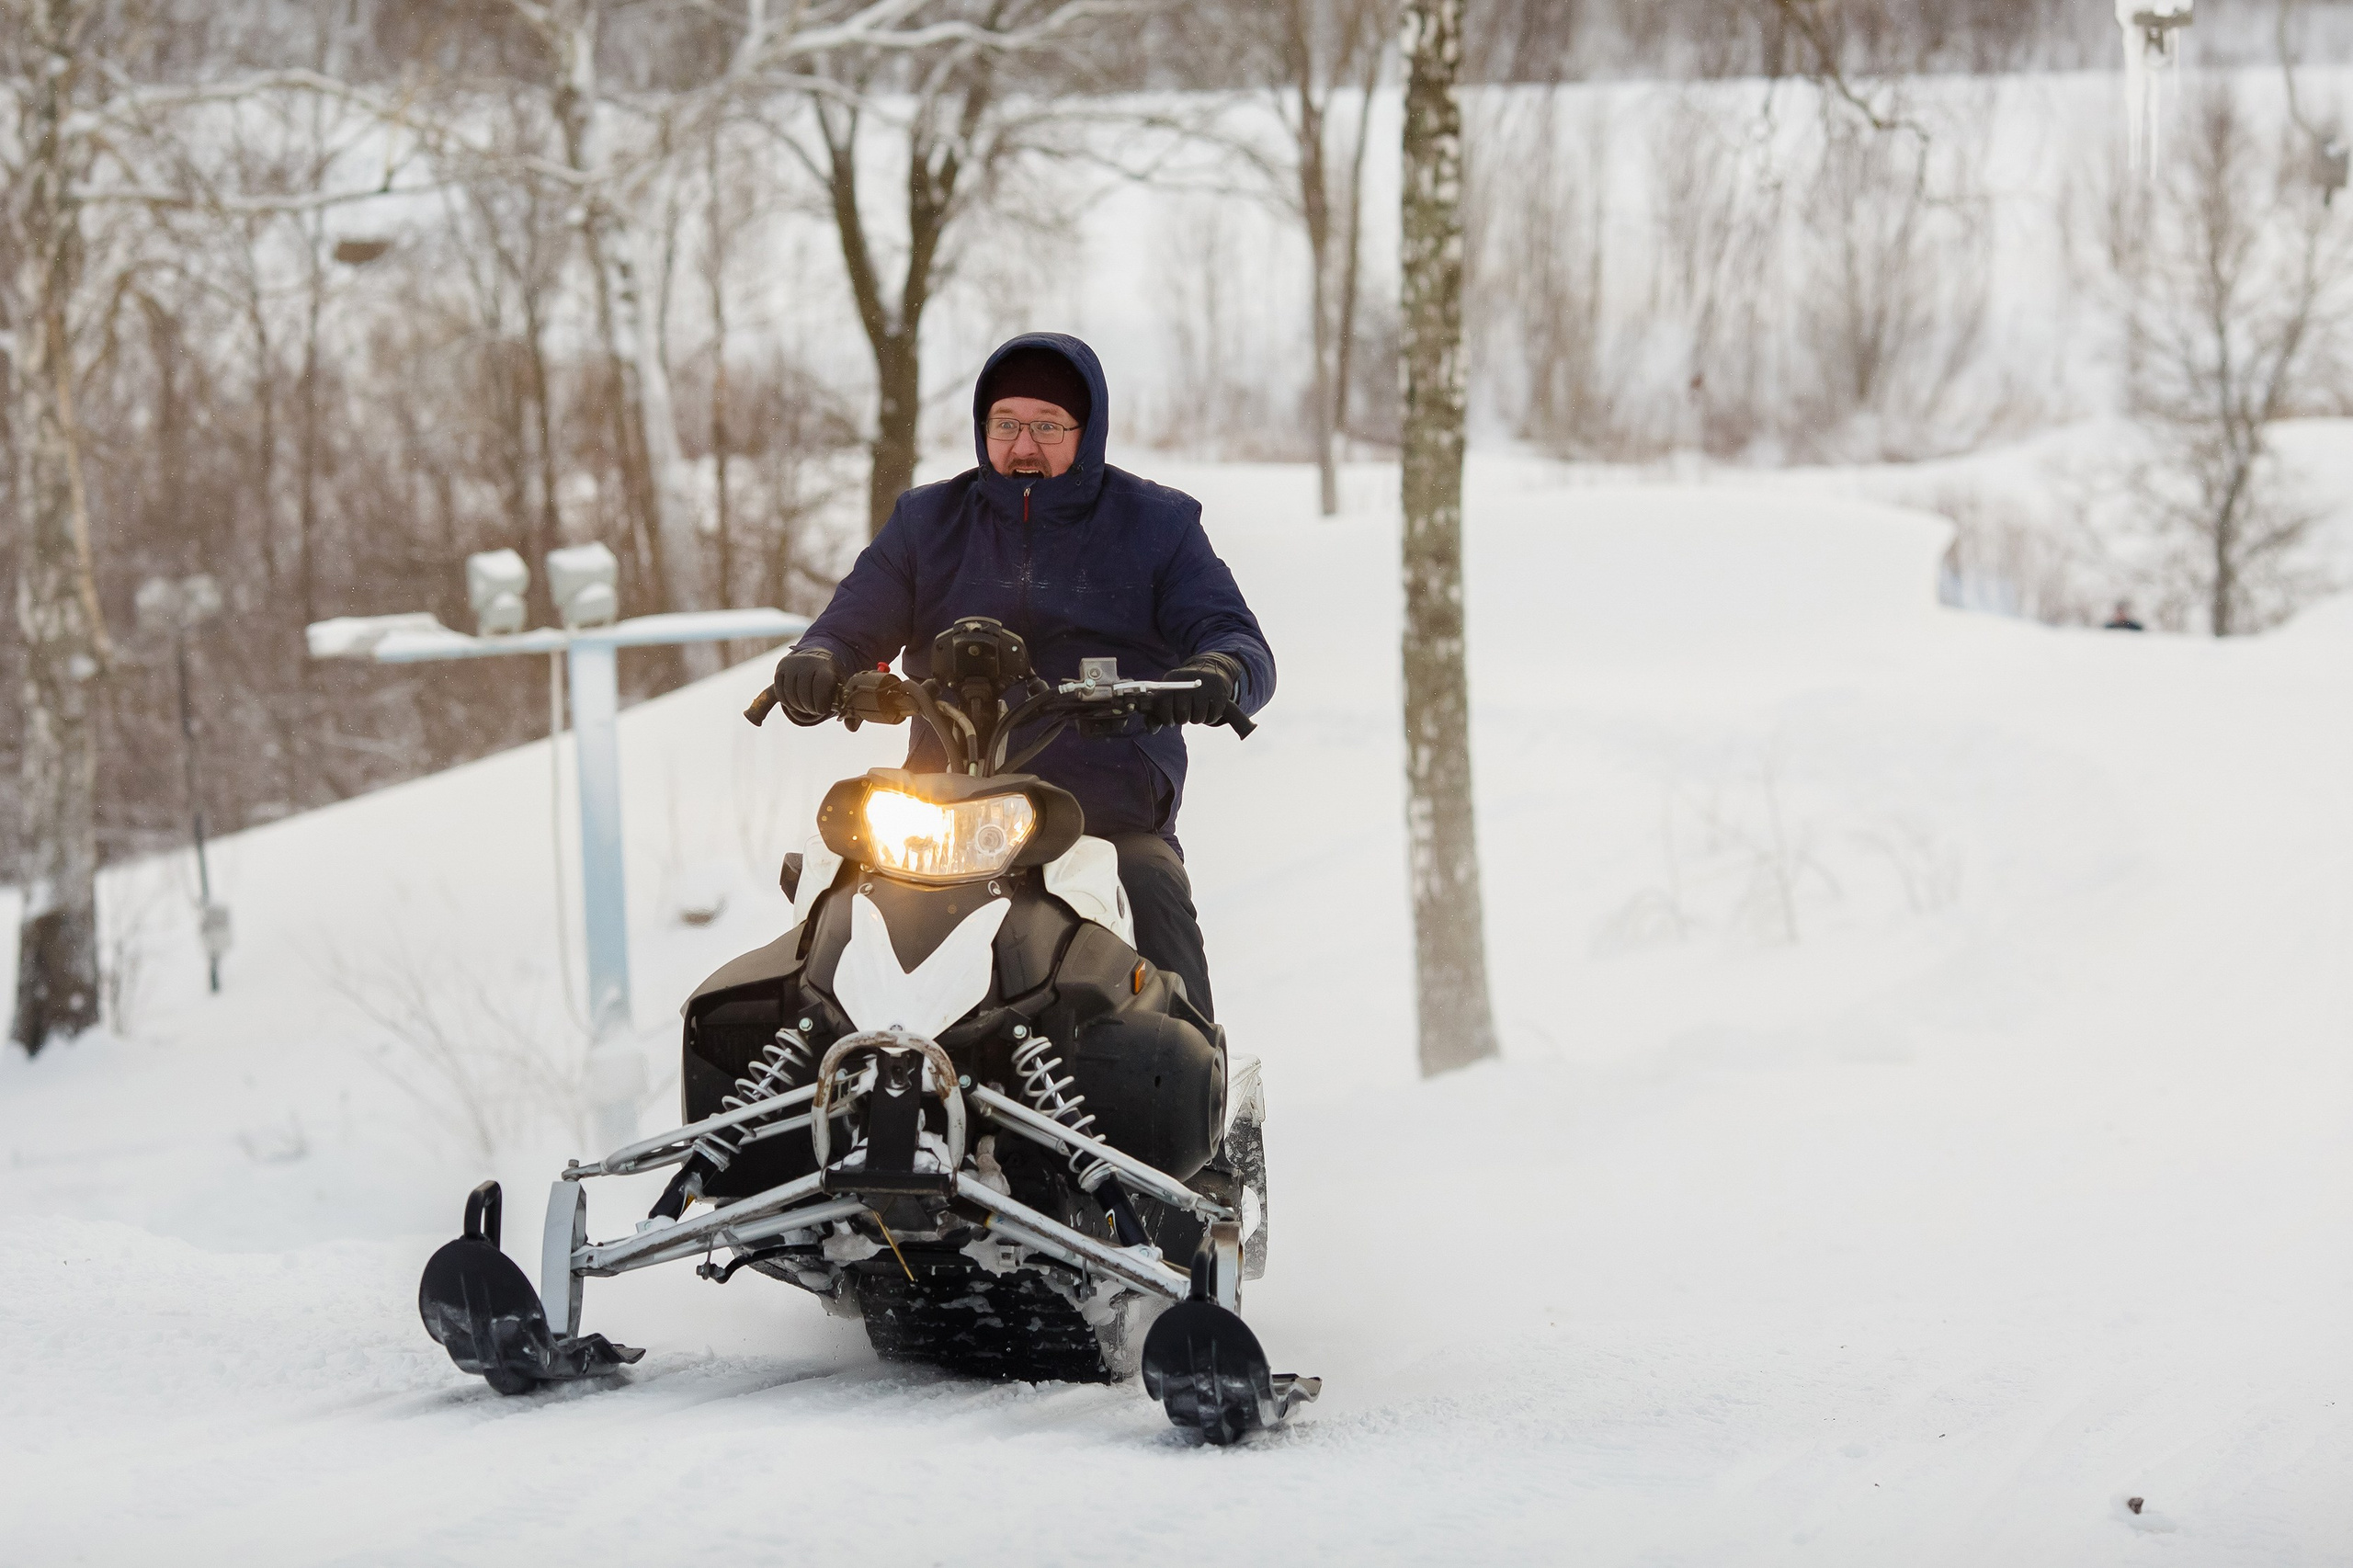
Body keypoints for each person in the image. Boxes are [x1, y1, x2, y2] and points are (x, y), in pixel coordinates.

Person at [771, 333, 1273, 1020]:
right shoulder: (929, 523)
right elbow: (854, 620)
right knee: (825, 897)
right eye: (1005, 426)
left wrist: (1218, 673)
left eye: (1046, 427)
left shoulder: (1158, 527)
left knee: (1152, 891)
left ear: (1087, 430)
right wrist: (821, 660)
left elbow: (1236, 639)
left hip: (1101, 819)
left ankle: (1191, 1099)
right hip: (934, 823)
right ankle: (792, 1087)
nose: (1023, 447)